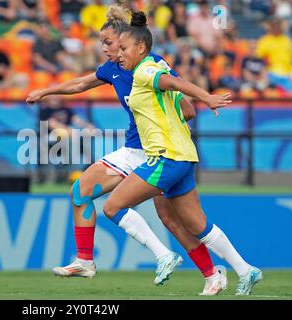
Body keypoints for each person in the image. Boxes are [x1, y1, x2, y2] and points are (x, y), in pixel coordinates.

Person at [27, 5, 223, 293]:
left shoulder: (150, 65)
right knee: (81, 191)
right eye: (103, 43)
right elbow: (82, 82)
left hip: (160, 153)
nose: (104, 48)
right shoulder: (112, 70)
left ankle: (211, 273)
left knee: (176, 221)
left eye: (108, 43)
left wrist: (165, 125)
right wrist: (46, 91)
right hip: (133, 150)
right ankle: (85, 260)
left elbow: (187, 109)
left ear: (126, 42)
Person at [109, 10, 262, 296]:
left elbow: (173, 83)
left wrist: (207, 97)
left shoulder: (145, 70)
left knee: (112, 206)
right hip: (183, 156)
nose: (118, 54)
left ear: (140, 48)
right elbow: (179, 100)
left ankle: (163, 255)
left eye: (123, 48)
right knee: (196, 223)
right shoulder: (151, 66)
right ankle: (245, 270)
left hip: (165, 158)